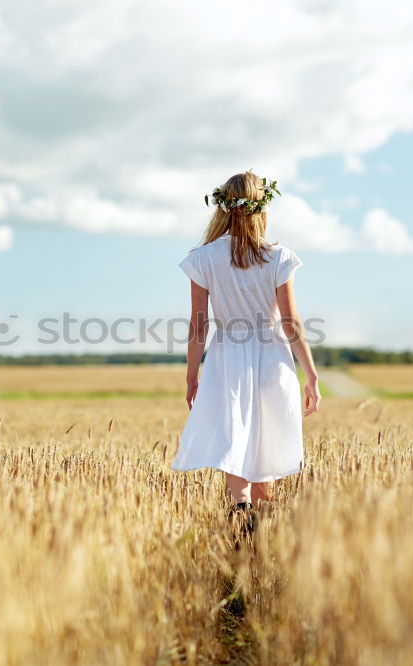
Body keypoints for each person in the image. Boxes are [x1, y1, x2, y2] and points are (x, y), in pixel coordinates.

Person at [171, 170, 320, 536]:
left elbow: (198, 325)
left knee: (234, 438)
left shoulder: (203, 258)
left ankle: (240, 513)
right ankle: (264, 546)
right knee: (266, 442)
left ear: (222, 206)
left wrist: (192, 373)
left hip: (226, 356)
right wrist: (311, 375)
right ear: (261, 207)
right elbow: (290, 322)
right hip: (273, 358)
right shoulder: (279, 256)